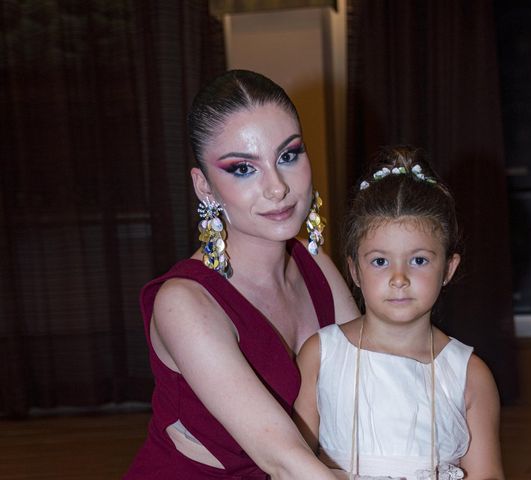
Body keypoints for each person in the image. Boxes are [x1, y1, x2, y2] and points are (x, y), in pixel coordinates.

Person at [124, 69, 360, 479]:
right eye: (243, 168)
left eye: (288, 156)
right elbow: (283, 459)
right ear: (205, 187)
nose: (277, 188)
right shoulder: (184, 302)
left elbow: (367, 390)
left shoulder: (315, 263)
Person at [294, 146, 505, 480]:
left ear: (448, 268)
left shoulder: (470, 374)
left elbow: (487, 474)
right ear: (355, 270)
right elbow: (292, 463)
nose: (399, 278)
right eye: (380, 261)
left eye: (419, 260)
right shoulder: (321, 355)